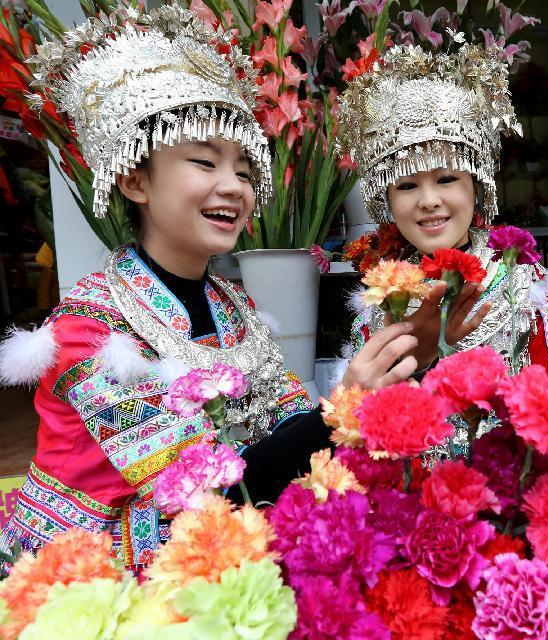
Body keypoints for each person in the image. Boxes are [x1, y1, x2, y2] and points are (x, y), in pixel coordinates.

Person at [0, 5, 436, 572]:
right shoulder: (90, 333)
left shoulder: (232, 304)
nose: (233, 187)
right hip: (96, 559)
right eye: (204, 163)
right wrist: (341, 407)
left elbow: (281, 430)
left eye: (245, 171)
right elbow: (193, 499)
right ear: (135, 180)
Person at [337, 44, 548, 381]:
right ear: (386, 200)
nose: (429, 200)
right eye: (407, 186)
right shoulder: (377, 306)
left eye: (447, 179)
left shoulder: (527, 290)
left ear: (477, 186)